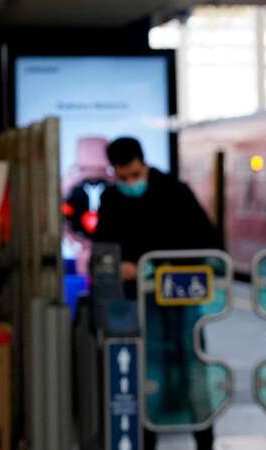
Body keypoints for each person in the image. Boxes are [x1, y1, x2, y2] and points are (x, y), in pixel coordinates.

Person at [93, 136, 219, 450]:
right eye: (122, 178)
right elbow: (102, 247)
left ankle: (204, 438)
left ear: (144, 164)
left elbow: (207, 240)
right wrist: (119, 264)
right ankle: (148, 437)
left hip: (181, 296)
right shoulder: (111, 199)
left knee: (192, 364)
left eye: (134, 175)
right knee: (150, 367)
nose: (129, 183)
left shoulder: (175, 191)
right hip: (142, 299)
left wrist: (157, 263)